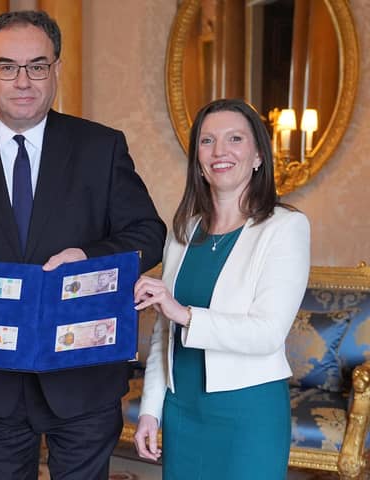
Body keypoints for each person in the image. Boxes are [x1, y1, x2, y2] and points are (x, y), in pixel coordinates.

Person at [0, 10, 166, 479]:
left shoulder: (101, 148)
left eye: (37, 66)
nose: (23, 81)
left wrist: (88, 257)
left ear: (56, 70)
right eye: (7, 66)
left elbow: (148, 232)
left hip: (84, 374)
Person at [133, 98, 310, 479]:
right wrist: (151, 409)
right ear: (197, 158)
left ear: (258, 154)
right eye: (207, 141)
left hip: (247, 413)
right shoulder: (183, 231)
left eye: (235, 139)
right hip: (183, 410)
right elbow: (165, 334)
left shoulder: (285, 228)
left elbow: (267, 333)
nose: (220, 151)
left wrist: (182, 312)